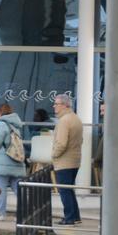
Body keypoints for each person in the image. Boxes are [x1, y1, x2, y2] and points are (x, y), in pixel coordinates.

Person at [0, 102, 25, 220]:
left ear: (0, 112)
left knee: (1, 188)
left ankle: (0, 213)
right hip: (16, 161)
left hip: (3, 162)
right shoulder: (16, 125)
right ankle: (25, 212)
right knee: (18, 189)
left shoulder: (1, 124)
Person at [51, 94, 84, 225]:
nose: (54, 106)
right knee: (69, 189)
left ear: (64, 105)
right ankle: (75, 216)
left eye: (56, 104)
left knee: (64, 190)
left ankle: (69, 217)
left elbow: (61, 143)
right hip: (74, 159)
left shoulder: (64, 121)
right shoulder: (75, 118)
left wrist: (54, 155)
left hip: (65, 161)